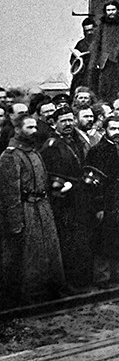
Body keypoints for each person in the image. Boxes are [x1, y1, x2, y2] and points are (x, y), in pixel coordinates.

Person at [0, 114, 66, 307]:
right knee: (31, 254)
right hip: (26, 209)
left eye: (35, 127)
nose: (34, 131)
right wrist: (16, 222)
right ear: (18, 130)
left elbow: (43, 178)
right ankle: (31, 295)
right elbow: (9, 193)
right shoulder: (10, 156)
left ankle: (51, 290)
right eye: (29, 128)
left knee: (49, 250)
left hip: (43, 208)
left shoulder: (35, 152)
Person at [39, 106, 93, 288]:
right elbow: (50, 175)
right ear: (54, 124)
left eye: (71, 120)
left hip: (79, 198)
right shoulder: (52, 146)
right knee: (68, 241)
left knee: (81, 238)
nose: (68, 124)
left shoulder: (75, 142)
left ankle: (82, 280)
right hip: (64, 202)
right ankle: (70, 282)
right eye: (64, 121)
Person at [88, 0, 119, 101]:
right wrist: (95, 62)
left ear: (118, 10)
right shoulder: (102, 26)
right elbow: (96, 44)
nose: (111, 12)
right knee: (105, 88)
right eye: (108, 10)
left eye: (113, 10)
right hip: (105, 62)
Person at [69, 16, 96, 98]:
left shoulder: (101, 42)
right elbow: (72, 61)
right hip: (83, 75)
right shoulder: (81, 44)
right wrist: (79, 60)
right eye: (87, 31)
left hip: (96, 74)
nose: (89, 33)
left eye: (91, 30)